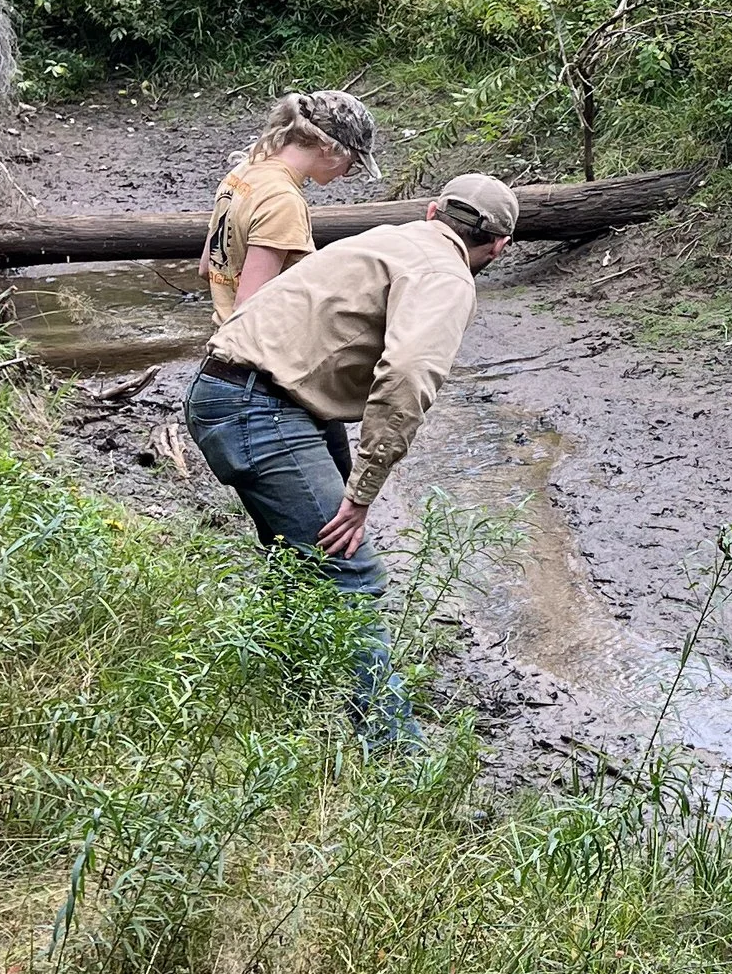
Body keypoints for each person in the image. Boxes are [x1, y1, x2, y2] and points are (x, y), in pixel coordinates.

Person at [184, 171, 522, 744]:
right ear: (500, 246)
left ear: (434, 211)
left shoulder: (388, 238)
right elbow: (409, 376)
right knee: (350, 567)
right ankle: (395, 753)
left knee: (299, 560)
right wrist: (364, 491)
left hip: (231, 389)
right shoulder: (447, 274)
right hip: (261, 406)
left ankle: (291, 698)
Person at [202, 90, 378, 325]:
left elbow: (207, 268)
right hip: (257, 353)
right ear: (330, 148)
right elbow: (248, 308)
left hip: (222, 337)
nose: (345, 175)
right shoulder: (283, 200)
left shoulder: (245, 169)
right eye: (352, 164)